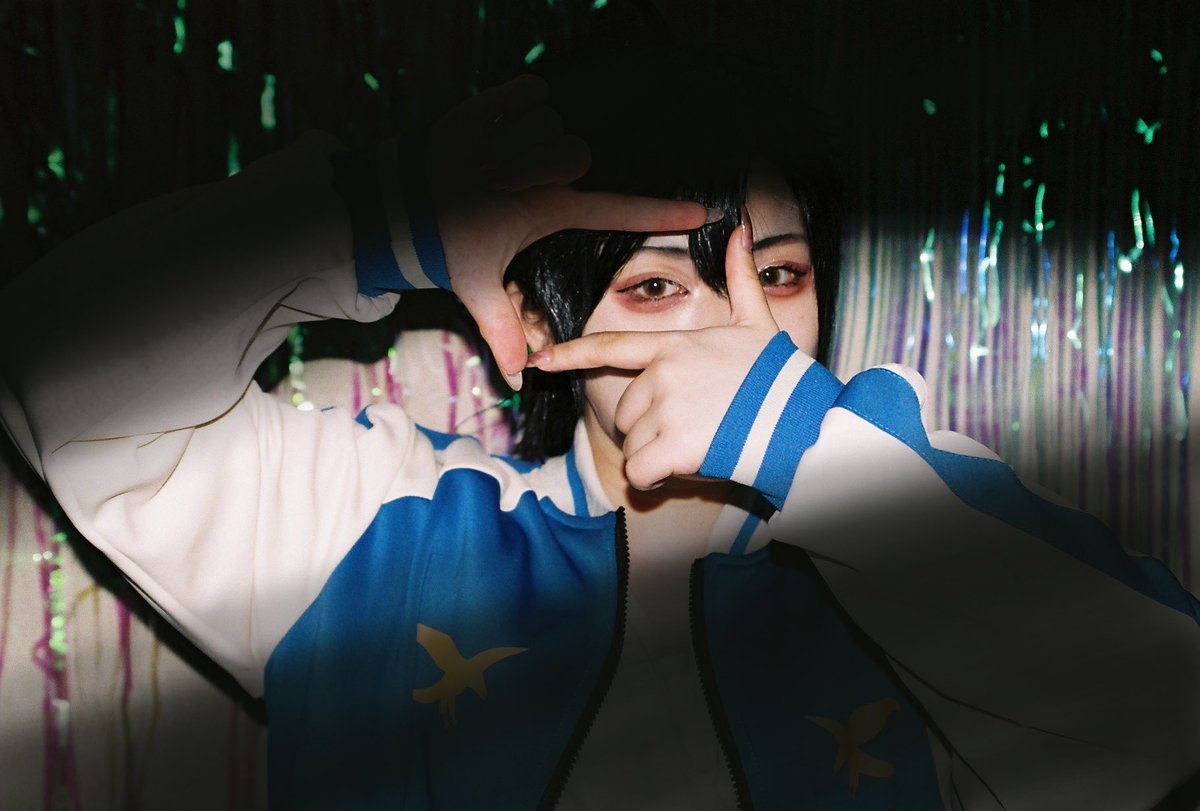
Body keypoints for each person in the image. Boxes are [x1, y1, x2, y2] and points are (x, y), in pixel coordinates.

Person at [0, 47, 1197, 811]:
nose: (733, 332)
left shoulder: (907, 521)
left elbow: (1164, 712)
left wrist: (797, 441)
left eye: (779, 275)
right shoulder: (386, 536)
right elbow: (60, 366)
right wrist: (385, 218)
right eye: (659, 285)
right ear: (537, 319)